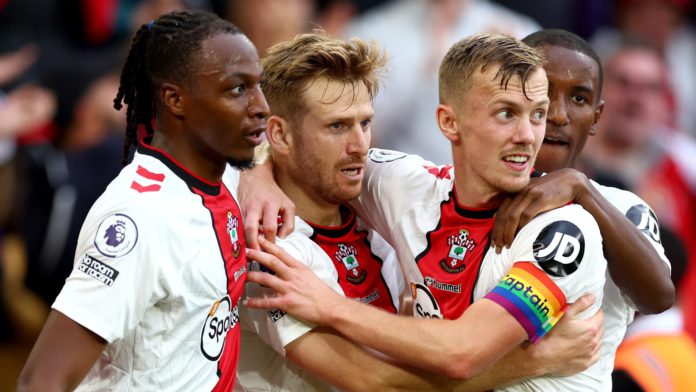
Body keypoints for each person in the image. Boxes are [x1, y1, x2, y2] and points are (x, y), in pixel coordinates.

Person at [236, 32, 602, 392]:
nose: (360, 146)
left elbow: (462, 352)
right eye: (506, 113)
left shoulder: (561, 230)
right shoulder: (270, 248)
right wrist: (255, 174)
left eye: (365, 123)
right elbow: (373, 381)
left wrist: (330, 306)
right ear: (448, 122)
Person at [16, 10, 269, 391]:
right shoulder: (141, 217)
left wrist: (263, 175)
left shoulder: (222, 176)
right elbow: (42, 380)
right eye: (237, 89)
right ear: (174, 99)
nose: (261, 105)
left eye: (259, 85)